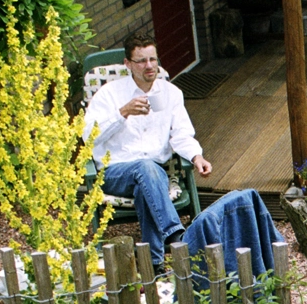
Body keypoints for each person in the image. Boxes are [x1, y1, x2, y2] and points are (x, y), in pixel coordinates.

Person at [84, 28, 213, 266]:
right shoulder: (109, 94)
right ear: (128, 64)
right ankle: (175, 232)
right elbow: (88, 136)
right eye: (141, 60)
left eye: (153, 59)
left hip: (153, 175)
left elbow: (182, 133)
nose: (149, 66)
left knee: (148, 182)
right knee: (146, 169)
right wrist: (123, 113)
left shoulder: (171, 94)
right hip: (114, 173)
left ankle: (154, 265)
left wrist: (197, 157)